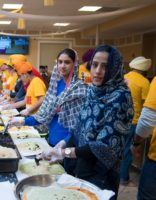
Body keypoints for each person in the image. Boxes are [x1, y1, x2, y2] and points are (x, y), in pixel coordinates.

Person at [41, 45, 134, 199]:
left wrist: (65, 153)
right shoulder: (92, 91)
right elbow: (79, 127)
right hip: (83, 164)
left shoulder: (121, 96)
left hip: (102, 172)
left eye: (105, 66)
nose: (97, 71)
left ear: (115, 68)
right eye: (95, 64)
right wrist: (64, 143)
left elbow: (103, 147)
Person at [10, 48, 87, 148]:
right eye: (60, 62)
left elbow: (80, 124)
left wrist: (66, 141)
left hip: (70, 144)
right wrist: (22, 121)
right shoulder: (55, 86)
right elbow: (44, 114)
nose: (62, 66)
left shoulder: (79, 88)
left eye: (67, 62)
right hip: (53, 138)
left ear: (74, 65)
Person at [120, 56, 151, 186]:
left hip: (120, 119)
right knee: (128, 150)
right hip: (134, 120)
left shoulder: (123, 78)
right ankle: (124, 178)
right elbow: (147, 104)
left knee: (120, 149)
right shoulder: (144, 82)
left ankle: (117, 174)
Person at [132, 76, 156, 200]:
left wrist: (136, 143)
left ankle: (124, 177)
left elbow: (148, 119)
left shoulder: (127, 77)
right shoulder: (144, 82)